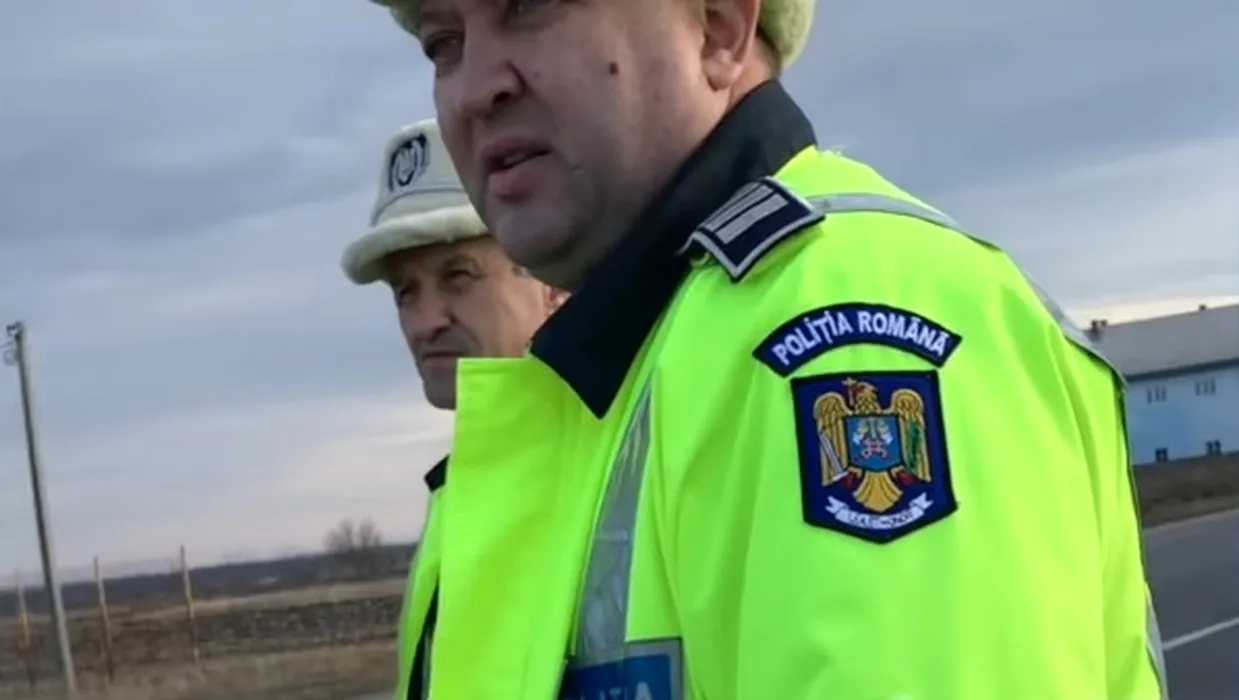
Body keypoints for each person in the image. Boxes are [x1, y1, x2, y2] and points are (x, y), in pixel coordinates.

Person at [368, 1, 1169, 698]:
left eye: (531, 6)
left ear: (717, 28)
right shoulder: (619, 376)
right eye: (444, 42)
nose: (473, 90)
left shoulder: (844, 324)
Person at [339, 118, 564, 700]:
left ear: (553, 281)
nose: (425, 321)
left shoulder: (621, 465)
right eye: (405, 291)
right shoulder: (464, 492)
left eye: (458, 276)